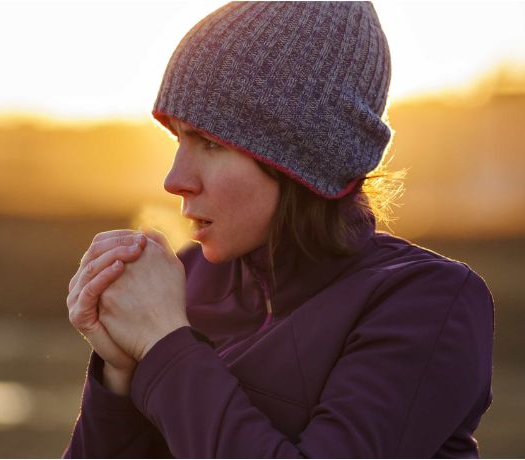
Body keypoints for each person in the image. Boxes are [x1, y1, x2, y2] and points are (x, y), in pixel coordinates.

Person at [63, 2, 495, 458]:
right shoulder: (185, 280)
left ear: (298, 158)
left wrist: (165, 344)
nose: (175, 180)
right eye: (179, 139)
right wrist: (121, 372)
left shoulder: (428, 301)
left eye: (211, 142)